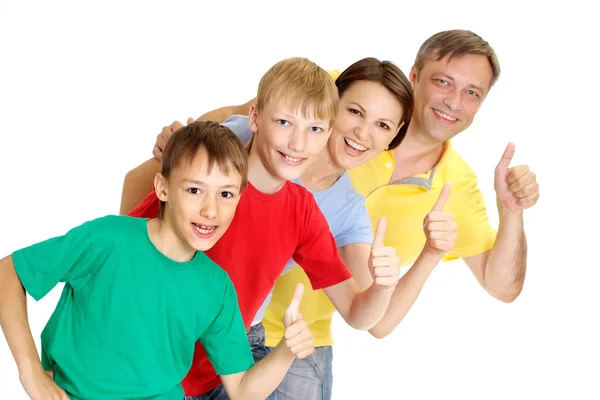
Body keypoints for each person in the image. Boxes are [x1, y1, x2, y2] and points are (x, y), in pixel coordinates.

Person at [158, 29, 541, 399]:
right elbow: (249, 116)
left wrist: (501, 216)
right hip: (182, 323)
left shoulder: (336, 206)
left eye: (471, 92)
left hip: (282, 337)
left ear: (392, 134)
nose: (453, 101)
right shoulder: (309, 105)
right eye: (443, 81)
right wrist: (176, 145)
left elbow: (374, 317)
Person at [137, 57, 458, 400]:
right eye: (355, 112)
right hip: (157, 333)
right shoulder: (223, 145)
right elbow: (120, 242)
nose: (297, 143)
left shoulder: (315, 211)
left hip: (234, 345)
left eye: (382, 124)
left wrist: (387, 283)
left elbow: (362, 314)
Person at [0, 120, 317, 400]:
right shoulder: (107, 239)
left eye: (226, 194)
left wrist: (286, 352)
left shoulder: (216, 288)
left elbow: (242, 389)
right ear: (163, 188)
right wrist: (29, 370)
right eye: (195, 190)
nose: (211, 210)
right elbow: (8, 273)